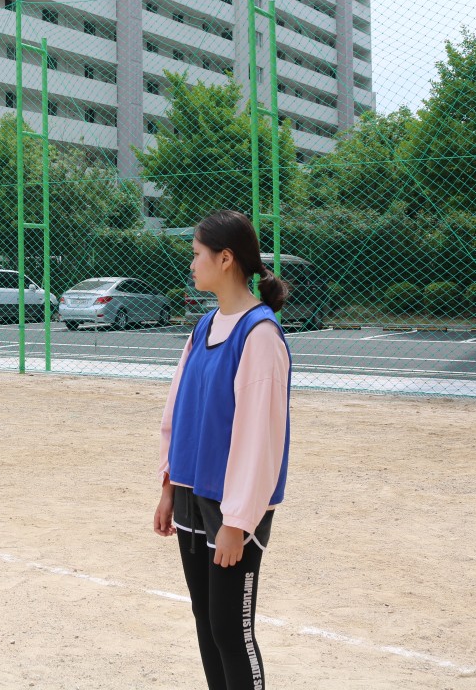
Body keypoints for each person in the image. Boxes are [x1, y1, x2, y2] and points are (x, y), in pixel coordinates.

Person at [152, 210, 291, 690]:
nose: (191, 264)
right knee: (207, 622)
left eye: (197, 254)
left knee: (232, 631)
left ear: (226, 258)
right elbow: (178, 410)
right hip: (192, 494)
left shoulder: (260, 335)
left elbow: (259, 440)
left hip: (232, 507)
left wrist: (238, 522)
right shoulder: (203, 326)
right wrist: (169, 485)